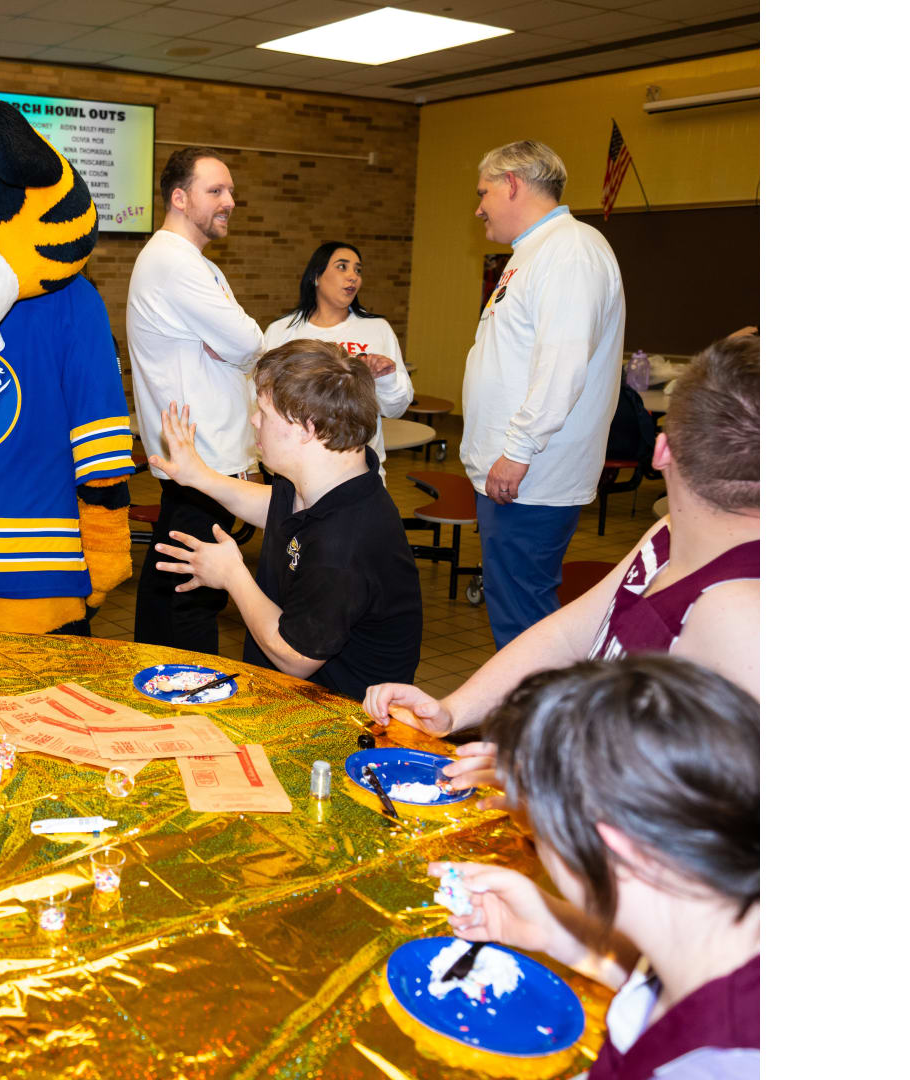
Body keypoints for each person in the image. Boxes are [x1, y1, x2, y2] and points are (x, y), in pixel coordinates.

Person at [364, 334, 758, 797]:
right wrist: (453, 710)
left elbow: (717, 804)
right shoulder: (668, 535)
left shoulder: (737, 608)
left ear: (662, 451)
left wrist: (544, 773)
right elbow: (569, 633)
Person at [427, 655, 758, 1078]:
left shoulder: (717, 1063)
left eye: (536, 825)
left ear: (611, 844)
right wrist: (555, 928)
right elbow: (648, 985)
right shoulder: (713, 939)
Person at [149, 340, 421, 698]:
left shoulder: (345, 545)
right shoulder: (333, 476)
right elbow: (274, 506)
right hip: (291, 699)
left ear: (306, 428)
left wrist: (233, 575)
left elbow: (296, 657)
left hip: (335, 726)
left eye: (263, 411)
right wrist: (200, 476)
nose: (253, 420)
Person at [460, 139, 626, 647]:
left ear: (512, 184)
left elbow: (562, 365)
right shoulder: (534, 252)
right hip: (515, 472)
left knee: (523, 620)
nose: (479, 206)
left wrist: (517, 451)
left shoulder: (569, 252)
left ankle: (538, 723)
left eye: (484, 191)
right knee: (515, 609)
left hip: (530, 476)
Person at [126, 147, 267, 653]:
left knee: (169, 583)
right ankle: (192, 698)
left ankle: (148, 678)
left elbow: (240, 346)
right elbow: (250, 343)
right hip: (201, 460)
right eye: (216, 191)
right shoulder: (172, 261)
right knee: (194, 595)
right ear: (180, 198)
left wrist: (234, 350)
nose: (230, 200)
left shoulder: (188, 261)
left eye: (229, 190)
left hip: (200, 459)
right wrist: (235, 351)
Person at [260, 241, 414, 463]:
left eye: (358, 270)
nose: (353, 276)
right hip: (294, 468)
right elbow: (260, 401)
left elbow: (396, 409)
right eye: (342, 267)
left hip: (359, 470)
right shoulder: (282, 331)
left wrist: (386, 378)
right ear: (316, 276)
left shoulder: (377, 329)